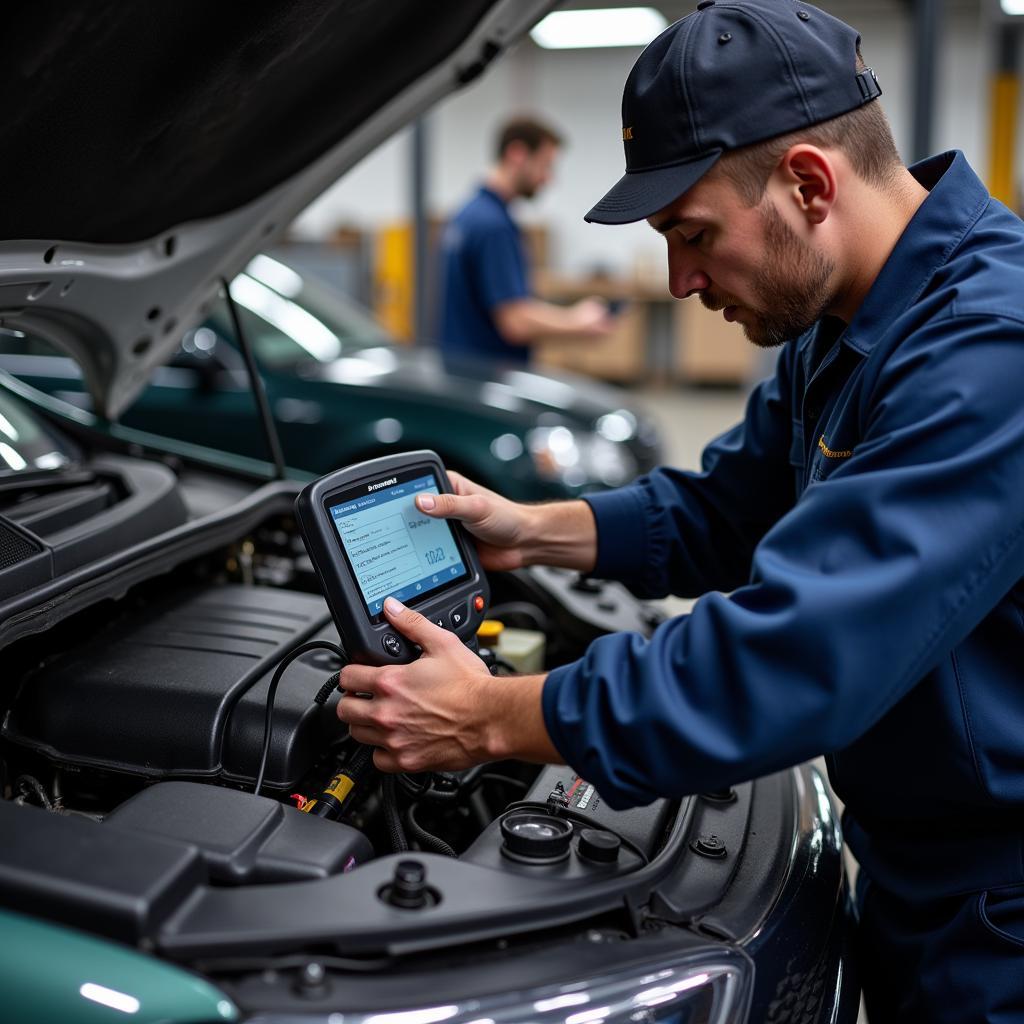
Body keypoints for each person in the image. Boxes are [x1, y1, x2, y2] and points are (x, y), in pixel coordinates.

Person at [339, 2, 1024, 1018]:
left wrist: (493, 716)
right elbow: (723, 509)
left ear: (806, 182)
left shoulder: (989, 351)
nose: (679, 279)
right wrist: (532, 528)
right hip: (916, 866)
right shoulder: (843, 323)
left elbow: (796, 655)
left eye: (691, 233)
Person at [438, 116, 613, 364]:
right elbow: (515, 321)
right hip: (487, 380)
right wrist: (576, 321)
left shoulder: (466, 215)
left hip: (462, 371)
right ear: (517, 154)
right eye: (546, 165)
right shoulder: (494, 226)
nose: (548, 178)